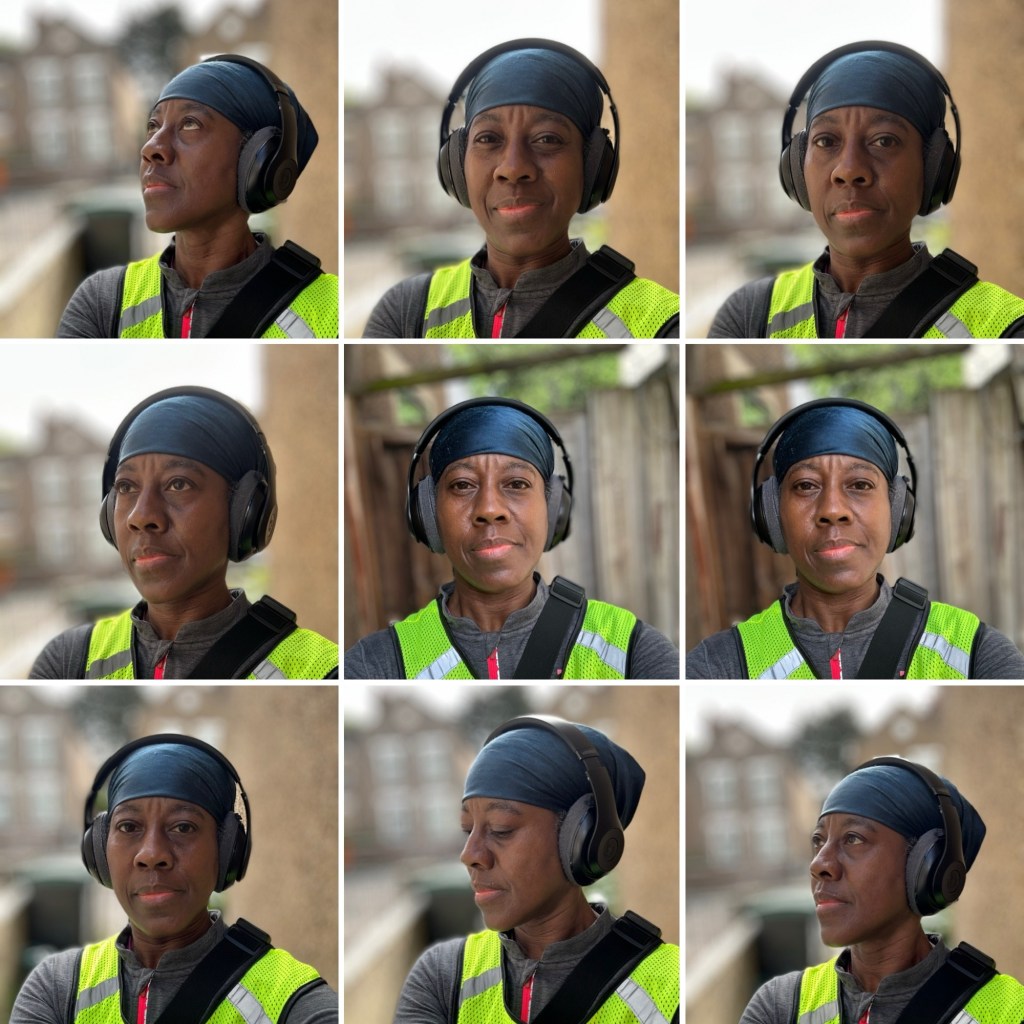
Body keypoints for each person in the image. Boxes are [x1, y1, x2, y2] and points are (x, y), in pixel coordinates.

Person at [686, 397, 1024, 679]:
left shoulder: (975, 653)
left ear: (896, 509)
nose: (833, 509)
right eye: (806, 486)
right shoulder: (720, 665)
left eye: (860, 485)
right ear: (772, 514)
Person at [10, 733, 338, 1023]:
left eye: (183, 827)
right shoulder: (57, 988)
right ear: (99, 850)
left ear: (227, 852)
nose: (152, 854)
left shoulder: (294, 1002)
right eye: (128, 827)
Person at [363, 38, 679, 338]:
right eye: (488, 139)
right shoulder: (405, 313)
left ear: (593, 167)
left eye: (547, 139)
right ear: (457, 166)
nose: (513, 169)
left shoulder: (663, 323)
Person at [344, 397, 679, 679]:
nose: (489, 509)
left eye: (516, 484)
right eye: (462, 485)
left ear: (553, 507)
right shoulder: (377, 665)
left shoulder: (633, 651)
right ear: (428, 514)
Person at [709, 40, 1024, 338]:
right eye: (826, 141)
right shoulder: (748, 316)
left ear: (934, 170)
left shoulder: (1006, 326)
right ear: (796, 169)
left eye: (884, 140)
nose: (848, 170)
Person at [30, 386, 339, 679]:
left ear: (244, 514)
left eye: (178, 484)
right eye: (126, 487)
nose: (140, 516)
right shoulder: (68, 661)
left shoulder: (324, 669)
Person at [393, 714, 679, 1023]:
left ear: (584, 839)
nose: (469, 854)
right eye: (467, 829)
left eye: (501, 829)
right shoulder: (443, 976)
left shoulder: (671, 987)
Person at [58, 54, 338, 338]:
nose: (151, 147)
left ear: (261, 162)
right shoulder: (102, 302)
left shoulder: (331, 310)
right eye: (153, 126)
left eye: (190, 123)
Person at [739, 756, 1024, 1023]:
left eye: (853, 838)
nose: (819, 863)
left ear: (928, 867)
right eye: (818, 839)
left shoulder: (1008, 1011)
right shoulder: (780, 1007)